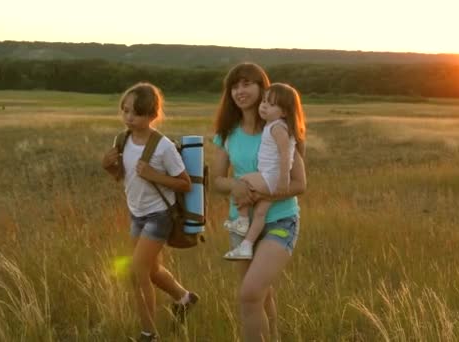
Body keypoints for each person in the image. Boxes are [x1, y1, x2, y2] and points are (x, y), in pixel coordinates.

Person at [212, 63, 306, 341]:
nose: (240, 91)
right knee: (260, 297)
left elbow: (300, 184)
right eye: (235, 86)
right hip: (241, 225)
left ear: (262, 87)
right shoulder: (228, 135)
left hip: (280, 220)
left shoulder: (280, 130)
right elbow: (217, 180)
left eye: (247, 84)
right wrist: (238, 186)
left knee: (250, 293)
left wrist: (265, 194)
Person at [102, 82, 199, 342]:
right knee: (153, 270)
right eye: (125, 111)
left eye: (136, 113)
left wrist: (154, 174)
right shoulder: (122, 140)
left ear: (152, 115)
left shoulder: (163, 146)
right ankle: (185, 298)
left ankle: (148, 334)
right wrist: (108, 167)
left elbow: (185, 183)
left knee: (137, 272)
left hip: (159, 215)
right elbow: (121, 177)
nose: (129, 118)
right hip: (137, 213)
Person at [224, 83, 306, 260]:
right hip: (273, 178)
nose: (264, 106)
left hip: (271, 177)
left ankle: (242, 221)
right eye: (264, 101)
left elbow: (286, 155)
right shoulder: (278, 126)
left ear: (284, 112)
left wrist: (283, 179)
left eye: (272, 104)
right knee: (260, 213)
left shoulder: (277, 128)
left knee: (243, 181)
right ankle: (247, 245)